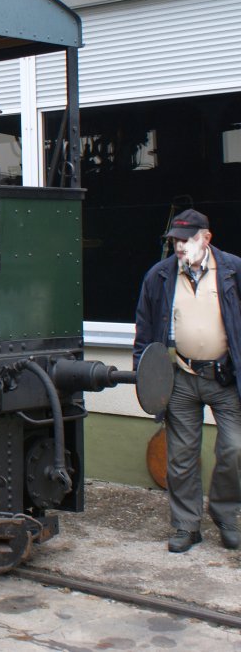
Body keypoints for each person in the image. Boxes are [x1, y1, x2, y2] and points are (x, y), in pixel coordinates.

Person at [134, 208, 241, 552]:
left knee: (235, 449)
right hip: (181, 377)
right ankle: (186, 525)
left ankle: (225, 515)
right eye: (175, 240)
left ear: (206, 238)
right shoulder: (160, 276)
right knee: (180, 458)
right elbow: (144, 333)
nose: (180, 246)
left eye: (187, 239)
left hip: (225, 378)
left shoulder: (233, 271)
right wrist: (145, 378)